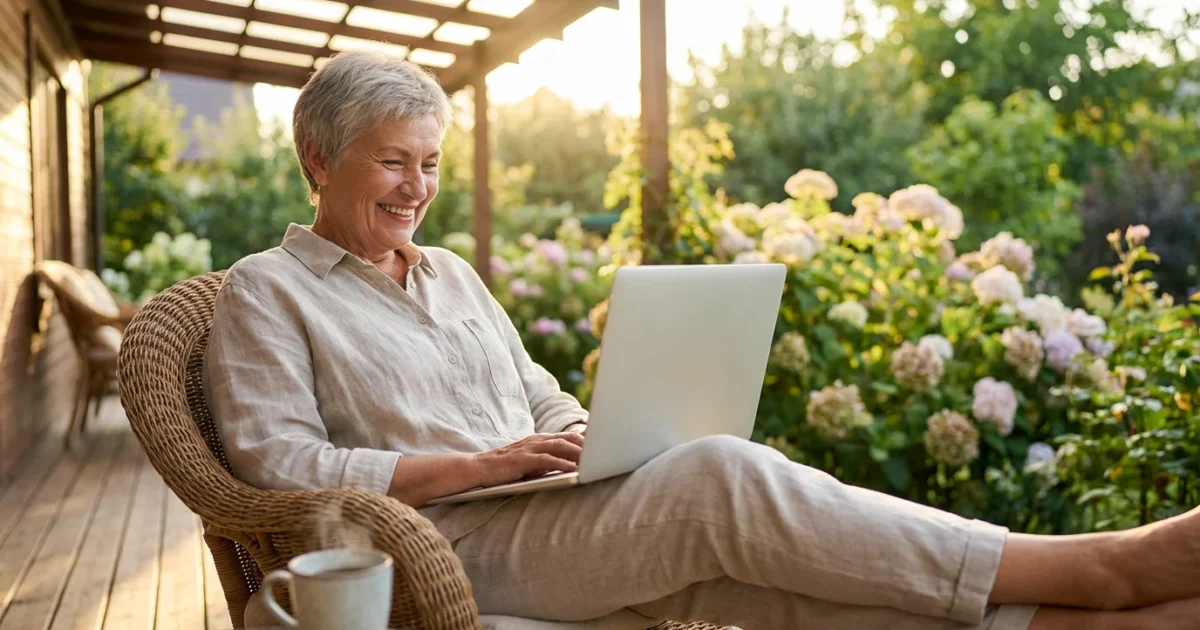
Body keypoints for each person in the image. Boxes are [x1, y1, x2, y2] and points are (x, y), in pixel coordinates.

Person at [202, 50, 1200, 630]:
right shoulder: (266, 293)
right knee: (722, 481)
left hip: (548, 509)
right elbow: (283, 467)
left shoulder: (451, 276)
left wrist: (592, 434)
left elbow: (538, 390)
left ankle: (1068, 626)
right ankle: (1096, 569)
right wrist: (477, 463)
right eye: (392, 164)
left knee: (760, 572)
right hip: (443, 545)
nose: (417, 188)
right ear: (318, 158)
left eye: (428, 164)